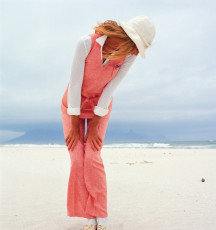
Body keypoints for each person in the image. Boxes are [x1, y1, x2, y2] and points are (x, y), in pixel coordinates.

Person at [60, 15, 156, 230]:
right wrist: (75, 125)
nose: (134, 53)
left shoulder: (128, 56)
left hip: (100, 108)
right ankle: (87, 215)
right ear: (125, 38)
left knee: (92, 157)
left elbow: (110, 89)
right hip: (72, 106)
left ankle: (100, 214)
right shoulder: (85, 43)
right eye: (135, 47)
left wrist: (95, 123)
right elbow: (75, 83)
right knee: (77, 159)